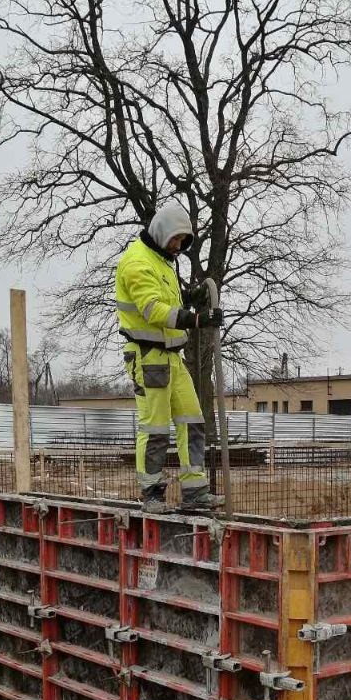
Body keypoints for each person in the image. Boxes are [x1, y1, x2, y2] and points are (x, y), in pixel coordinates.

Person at [115, 202, 224, 511]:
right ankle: (151, 493)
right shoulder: (137, 262)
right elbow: (152, 309)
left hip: (173, 358)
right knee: (155, 428)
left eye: (182, 242)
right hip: (149, 358)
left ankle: (195, 491)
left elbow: (169, 298)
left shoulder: (163, 261)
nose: (178, 247)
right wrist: (197, 319)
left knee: (192, 420)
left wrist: (191, 297)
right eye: (175, 240)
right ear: (162, 232)